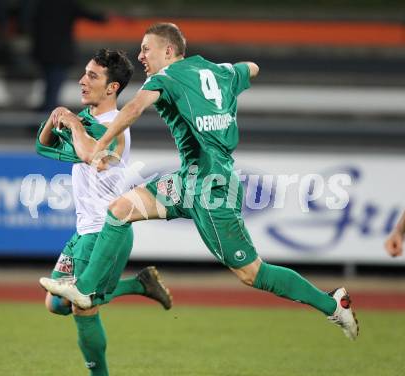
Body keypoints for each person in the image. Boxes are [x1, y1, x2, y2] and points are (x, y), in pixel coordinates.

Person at [40, 23, 359, 341]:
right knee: (121, 208)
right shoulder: (218, 73)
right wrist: (227, 75)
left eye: (146, 49)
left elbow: (134, 107)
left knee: (252, 273)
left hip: (212, 191)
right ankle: (84, 289)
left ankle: (330, 303)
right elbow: (253, 67)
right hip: (188, 180)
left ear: (168, 51)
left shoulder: (164, 77)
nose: (140, 56)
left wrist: (100, 144)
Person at [36, 48, 172, 376]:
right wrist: (56, 116)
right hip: (83, 231)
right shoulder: (85, 121)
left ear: (112, 88)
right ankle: (139, 285)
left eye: (92, 76)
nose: (83, 81)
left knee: (84, 308)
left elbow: (92, 157)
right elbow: (43, 145)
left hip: (105, 232)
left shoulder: (117, 127)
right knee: (56, 304)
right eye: (84, 73)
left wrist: (70, 122)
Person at [30, 0, 106, 112]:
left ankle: (44, 114)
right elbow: (91, 16)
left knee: (50, 86)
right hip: (60, 53)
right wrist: (105, 17)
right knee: (54, 87)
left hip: (44, 51)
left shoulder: (42, 4)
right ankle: (46, 118)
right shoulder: (67, 4)